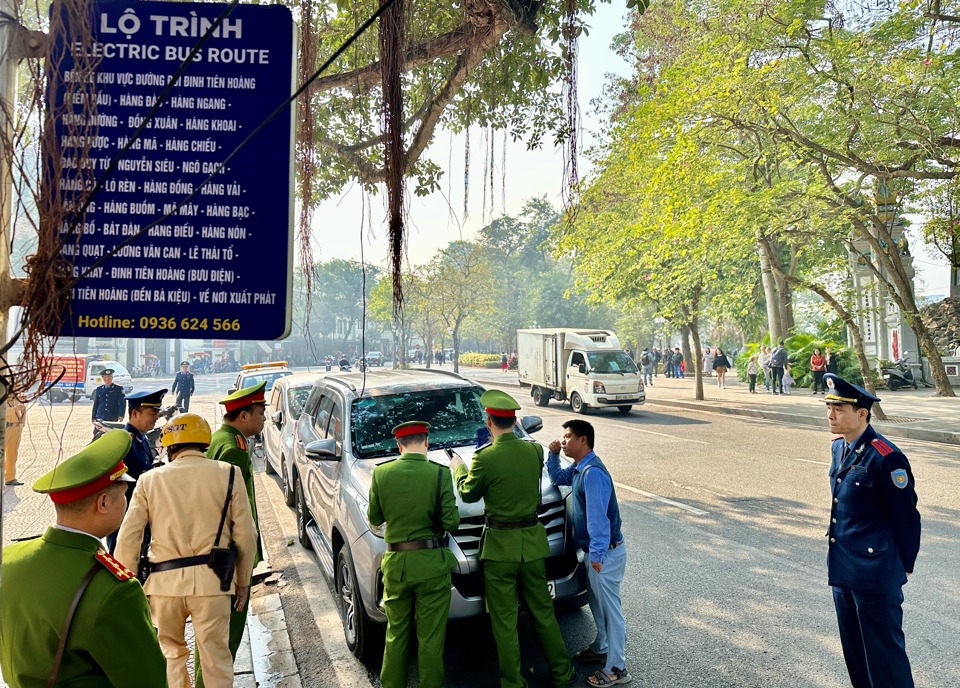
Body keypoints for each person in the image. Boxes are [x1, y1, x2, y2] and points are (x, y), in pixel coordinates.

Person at [0, 430, 166, 687]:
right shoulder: (115, 590)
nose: (125, 502)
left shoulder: (9, 559)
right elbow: (148, 680)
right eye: (123, 494)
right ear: (103, 503)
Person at [116, 414, 258, 688]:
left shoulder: (149, 479)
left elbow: (129, 538)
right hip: (214, 583)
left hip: (163, 584)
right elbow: (246, 535)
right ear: (204, 442)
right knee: (216, 659)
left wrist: (130, 587)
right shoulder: (229, 473)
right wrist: (243, 582)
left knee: (171, 655)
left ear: (169, 447)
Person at [449, 390, 573, 688]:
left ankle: (513, 683)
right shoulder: (534, 451)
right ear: (515, 420)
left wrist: (459, 469)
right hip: (531, 542)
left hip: (499, 548)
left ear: (489, 422)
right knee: (543, 612)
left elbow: (468, 493)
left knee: (504, 622)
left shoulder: (484, 457)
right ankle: (562, 672)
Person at [823, 373, 921, 688]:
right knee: (857, 657)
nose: (831, 414)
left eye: (839, 408)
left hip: (876, 575)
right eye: (828, 407)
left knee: (886, 662)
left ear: (862, 413)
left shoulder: (886, 457)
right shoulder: (839, 448)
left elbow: (906, 518)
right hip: (844, 570)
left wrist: (899, 566)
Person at [367, 421, 460, 688]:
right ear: (427, 442)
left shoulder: (381, 474)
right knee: (430, 638)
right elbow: (451, 522)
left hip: (397, 566)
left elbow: (374, 517)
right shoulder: (440, 474)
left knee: (396, 634)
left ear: (399, 445)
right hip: (431, 566)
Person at [547, 420, 630, 686]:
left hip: (605, 553)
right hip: (596, 553)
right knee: (597, 604)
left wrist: (596, 556)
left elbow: (598, 519)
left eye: (568, 436)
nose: (564, 440)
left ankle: (617, 668)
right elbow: (558, 479)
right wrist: (553, 455)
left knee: (610, 610)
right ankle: (603, 647)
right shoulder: (579, 468)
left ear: (583, 440)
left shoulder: (592, 473)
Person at [198, 381, 266, 686]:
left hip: (215, 553)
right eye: (260, 412)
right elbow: (232, 512)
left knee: (211, 635)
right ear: (244, 417)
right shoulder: (233, 449)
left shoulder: (220, 440)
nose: (264, 418)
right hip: (229, 557)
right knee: (226, 636)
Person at [106, 388, 167, 553]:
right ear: (135, 413)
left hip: (139, 512)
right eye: (151, 413)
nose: (156, 418)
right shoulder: (125, 442)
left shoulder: (142, 437)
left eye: (157, 413)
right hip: (125, 516)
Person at [91, 368, 125, 437]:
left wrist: (121, 414)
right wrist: (93, 416)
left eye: (109, 378)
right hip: (100, 416)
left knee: (111, 435)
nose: (107, 380)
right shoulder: (99, 389)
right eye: (105, 379)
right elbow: (96, 404)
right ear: (103, 379)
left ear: (112, 378)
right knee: (97, 434)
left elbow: (122, 402)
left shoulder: (118, 389)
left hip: (112, 415)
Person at [4, 394, 27, 486]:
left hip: (16, 428)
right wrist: (14, 410)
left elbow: (21, 411)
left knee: (12, 454)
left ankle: (10, 478)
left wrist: (21, 402)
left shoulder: (15, 399)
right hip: (4, 429)